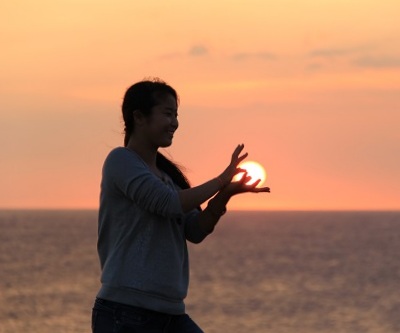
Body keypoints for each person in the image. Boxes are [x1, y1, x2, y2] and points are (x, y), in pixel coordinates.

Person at [91, 78, 270, 333]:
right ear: (139, 117)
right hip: (125, 312)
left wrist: (224, 195)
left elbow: (195, 231)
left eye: (176, 114)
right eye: (167, 113)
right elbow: (169, 204)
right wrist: (221, 180)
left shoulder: (168, 178)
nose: (175, 122)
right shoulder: (121, 161)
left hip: (170, 314)